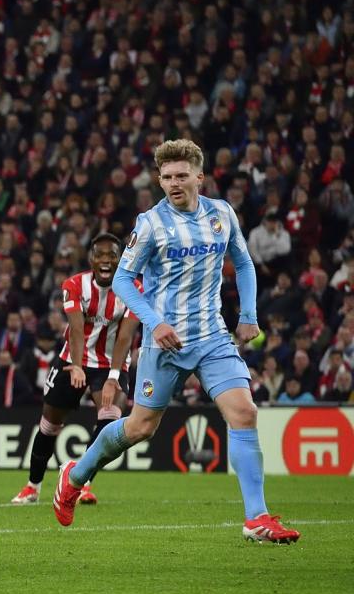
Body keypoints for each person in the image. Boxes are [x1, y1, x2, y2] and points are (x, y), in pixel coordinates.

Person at [52, 139, 300, 543]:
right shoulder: (149, 223)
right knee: (139, 428)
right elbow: (121, 281)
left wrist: (249, 315)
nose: (173, 184)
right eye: (166, 177)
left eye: (181, 176)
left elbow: (243, 262)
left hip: (212, 336)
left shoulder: (221, 214)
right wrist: (155, 322)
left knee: (244, 413)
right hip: (162, 343)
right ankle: (75, 475)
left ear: (199, 177)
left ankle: (257, 517)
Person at [10, 233, 140, 506]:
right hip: (73, 360)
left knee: (109, 420)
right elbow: (77, 330)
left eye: (112, 255)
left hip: (110, 364)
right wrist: (77, 366)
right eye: (100, 255)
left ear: (121, 259)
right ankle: (33, 486)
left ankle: (81, 484)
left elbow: (126, 337)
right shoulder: (74, 285)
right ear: (91, 260)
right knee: (49, 424)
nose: (106, 260)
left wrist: (114, 377)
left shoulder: (134, 288)